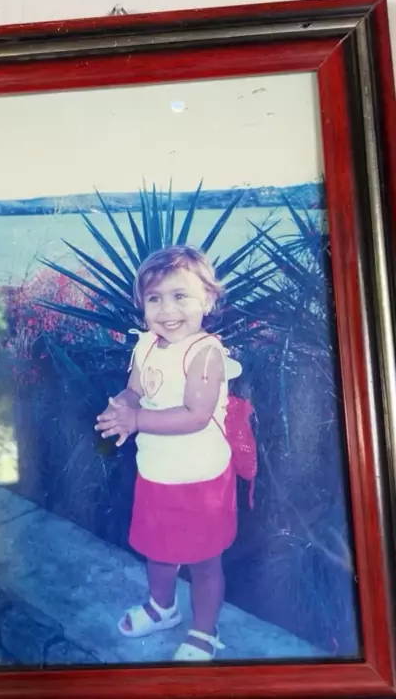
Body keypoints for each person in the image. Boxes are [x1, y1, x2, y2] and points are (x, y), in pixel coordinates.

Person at [95, 245, 243, 662]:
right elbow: (135, 389)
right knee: (157, 551)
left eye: (180, 296)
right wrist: (121, 407)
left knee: (204, 563)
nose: (167, 309)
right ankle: (163, 608)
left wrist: (137, 420)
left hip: (201, 480)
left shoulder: (204, 354)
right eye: (155, 299)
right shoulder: (146, 345)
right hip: (156, 474)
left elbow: (196, 414)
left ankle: (205, 630)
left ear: (207, 300)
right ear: (142, 306)